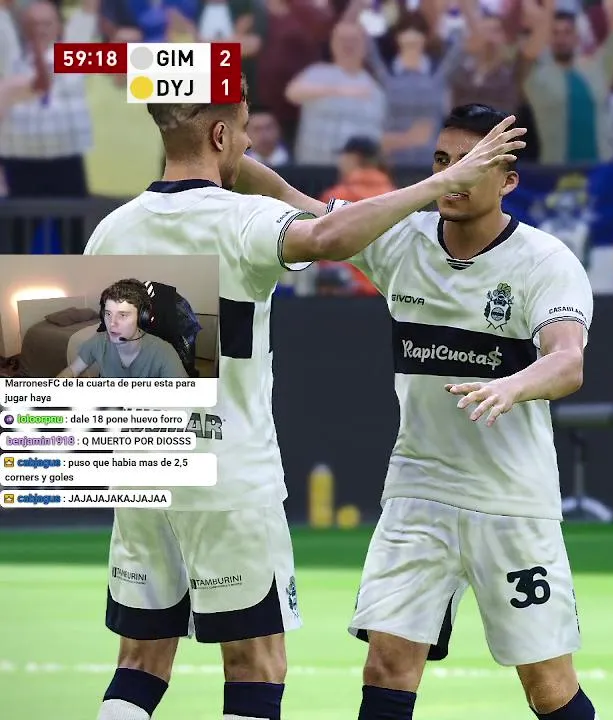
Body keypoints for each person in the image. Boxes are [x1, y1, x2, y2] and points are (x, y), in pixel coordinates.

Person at [83, 76, 524, 720]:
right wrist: (441, 184)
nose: (249, 143)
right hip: (228, 477)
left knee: (139, 664)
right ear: (220, 133)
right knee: (255, 666)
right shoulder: (244, 221)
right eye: (243, 130)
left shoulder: (110, 230)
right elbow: (327, 237)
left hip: (141, 472)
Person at [234, 103, 597, 720]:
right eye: (442, 161)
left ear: (508, 180)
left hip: (511, 501)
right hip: (418, 492)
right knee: (386, 667)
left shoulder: (545, 260)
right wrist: (216, 149)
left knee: (548, 686)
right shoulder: (401, 240)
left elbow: (567, 361)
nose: (453, 176)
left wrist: (512, 386)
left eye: (471, 164)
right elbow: (293, 200)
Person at [60, 279, 187, 380]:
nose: (112, 323)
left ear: (141, 318)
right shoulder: (98, 341)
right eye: (108, 314)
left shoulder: (164, 352)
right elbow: (72, 370)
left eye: (122, 315)